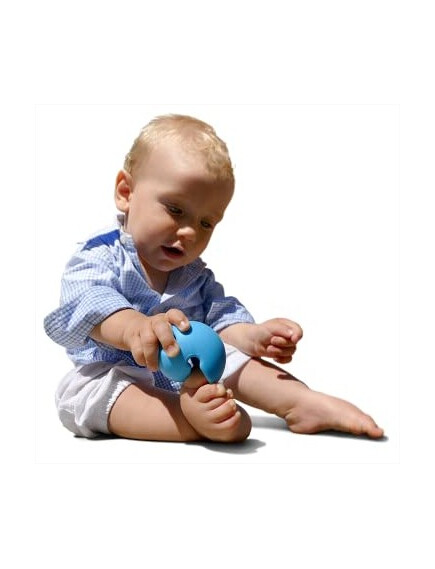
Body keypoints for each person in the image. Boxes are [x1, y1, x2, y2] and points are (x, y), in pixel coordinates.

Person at [44, 114, 384, 443]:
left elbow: (220, 321)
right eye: (175, 210)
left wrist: (253, 336)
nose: (190, 232)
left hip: (191, 374)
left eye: (206, 223)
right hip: (117, 374)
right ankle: (189, 420)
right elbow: (87, 304)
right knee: (85, 394)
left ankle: (298, 401)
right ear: (126, 192)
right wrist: (135, 328)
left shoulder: (193, 275)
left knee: (232, 355)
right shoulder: (99, 256)